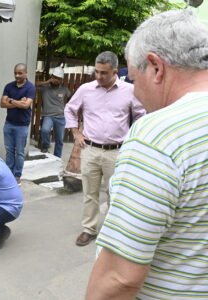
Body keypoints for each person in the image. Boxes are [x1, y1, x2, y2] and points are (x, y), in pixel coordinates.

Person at [86, 9, 208, 299]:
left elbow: (119, 277)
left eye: (133, 76)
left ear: (156, 67)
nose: (135, 91)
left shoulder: (159, 135)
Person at [64, 51, 145, 247]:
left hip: (117, 151)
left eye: (104, 73)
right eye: (96, 72)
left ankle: (111, 231)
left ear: (115, 72)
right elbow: (70, 109)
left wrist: (134, 140)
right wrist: (76, 133)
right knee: (89, 193)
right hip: (90, 149)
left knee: (114, 194)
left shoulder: (129, 90)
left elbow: (141, 115)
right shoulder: (86, 89)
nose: (98, 76)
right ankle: (89, 229)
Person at [0, 63, 36, 185]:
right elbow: (2, 104)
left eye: (20, 73)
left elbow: (26, 106)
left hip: (22, 125)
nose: (17, 75)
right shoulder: (9, 86)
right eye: (15, 73)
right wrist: (18, 102)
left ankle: (17, 175)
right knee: (9, 151)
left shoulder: (30, 88)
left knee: (19, 152)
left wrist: (10, 100)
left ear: (26, 73)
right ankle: (8, 173)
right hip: (9, 123)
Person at [36, 66, 72, 157]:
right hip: (48, 116)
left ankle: (57, 157)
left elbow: (72, 99)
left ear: (61, 80)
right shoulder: (45, 87)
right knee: (45, 130)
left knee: (59, 140)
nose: (56, 80)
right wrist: (47, 81)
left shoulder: (64, 89)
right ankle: (45, 146)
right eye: (55, 77)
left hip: (61, 117)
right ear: (52, 77)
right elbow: (32, 85)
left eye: (59, 79)